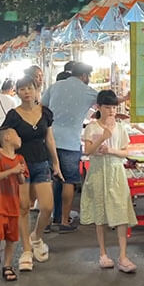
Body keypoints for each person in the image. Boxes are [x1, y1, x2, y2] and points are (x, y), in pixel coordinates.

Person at [0, 76, 61, 271]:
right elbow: (5, 139)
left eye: (30, 88)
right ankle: (26, 249)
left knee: (47, 206)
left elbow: (49, 139)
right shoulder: (13, 115)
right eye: (22, 89)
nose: (26, 92)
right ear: (16, 92)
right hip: (20, 165)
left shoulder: (45, 113)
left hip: (42, 162)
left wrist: (56, 163)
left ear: (36, 90)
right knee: (23, 207)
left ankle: (37, 236)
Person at [81, 90, 138, 273]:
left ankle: (122, 256)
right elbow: (88, 151)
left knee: (121, 211)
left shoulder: (121, 128)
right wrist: (102, 140)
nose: (112, 111)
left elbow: (125, 152)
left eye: (114, 107)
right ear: (99, 107)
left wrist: (111, 151)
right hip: (98, 171)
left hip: (116, 171)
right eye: (108, 107)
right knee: (100, 212)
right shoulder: (92, 127)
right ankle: (103, 253)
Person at [41, 62, 98, 232]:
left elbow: (42, 108)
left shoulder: (55, 86)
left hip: (49, 138)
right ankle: (64, 221)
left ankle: (47, 220)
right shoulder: (88, 91)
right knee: (69, 181)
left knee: (51, 180)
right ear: (84, 76)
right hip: (71, 143)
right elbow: (108, 100)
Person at [0, 127, 28, 282]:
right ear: (7, 138)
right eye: (17, 134)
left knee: (11, 237)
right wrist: (12, 171)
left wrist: (19, 173)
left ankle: (8, 264)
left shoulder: (20, 159)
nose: (20, 138)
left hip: (13, 204)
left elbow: (22, 181)